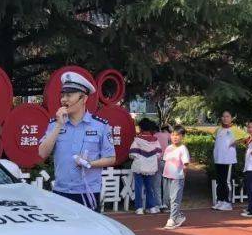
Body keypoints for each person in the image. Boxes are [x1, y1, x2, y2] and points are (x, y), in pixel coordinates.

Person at [37, 72, 116, 210]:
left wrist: (89, 163)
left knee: (88, 231)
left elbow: (111, 158)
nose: (64, 100)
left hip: (88, 192)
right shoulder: (54, 124)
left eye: (69, 95)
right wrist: (58, 125)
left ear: (83, 98)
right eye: (63, 95)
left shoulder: (100, 126)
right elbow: (42, 153)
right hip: (61, 191)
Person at [211, 111, 245, 211]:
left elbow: (247, 137)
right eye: (223, 116)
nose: (225, 118)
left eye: (227, 116)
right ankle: (220, 201)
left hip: (228, 160)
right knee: (220, 181)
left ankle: (227, 202)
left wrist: (236, 141)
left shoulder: (235, 129)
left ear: (231, 118)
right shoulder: (218, 129)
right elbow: (215, 139)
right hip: (218, 160)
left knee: (226, 181)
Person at [129, 119, 162, 214]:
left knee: (138, 187)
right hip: (151, 168)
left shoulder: (137, 140)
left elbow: (132, 154)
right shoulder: (155, 141)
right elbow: (159, 154)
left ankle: (139, 208)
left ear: (141, 128)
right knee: (149, 187)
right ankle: (151, 207)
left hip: (139, 167)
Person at [162, 126, 190, 229]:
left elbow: (185, 165)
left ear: (182, 137)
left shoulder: (183, 149)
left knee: (175, 199)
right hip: (166, 176)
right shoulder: (168, 148)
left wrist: (183, 176)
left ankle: (172, 219)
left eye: (178, 135)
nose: (175, 137)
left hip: (177, 178)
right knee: (167, 199)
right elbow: (165, 161)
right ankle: (178, 216)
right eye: (173, 134)